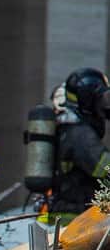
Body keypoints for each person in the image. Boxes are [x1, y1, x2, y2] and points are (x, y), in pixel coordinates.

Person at [42, 68, 110, 224]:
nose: (104, 106)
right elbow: (106, 169)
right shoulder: (80, 135)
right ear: (88, 100)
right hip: (74, 220)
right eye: (100, 99)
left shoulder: (68, 128)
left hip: (65, 216)